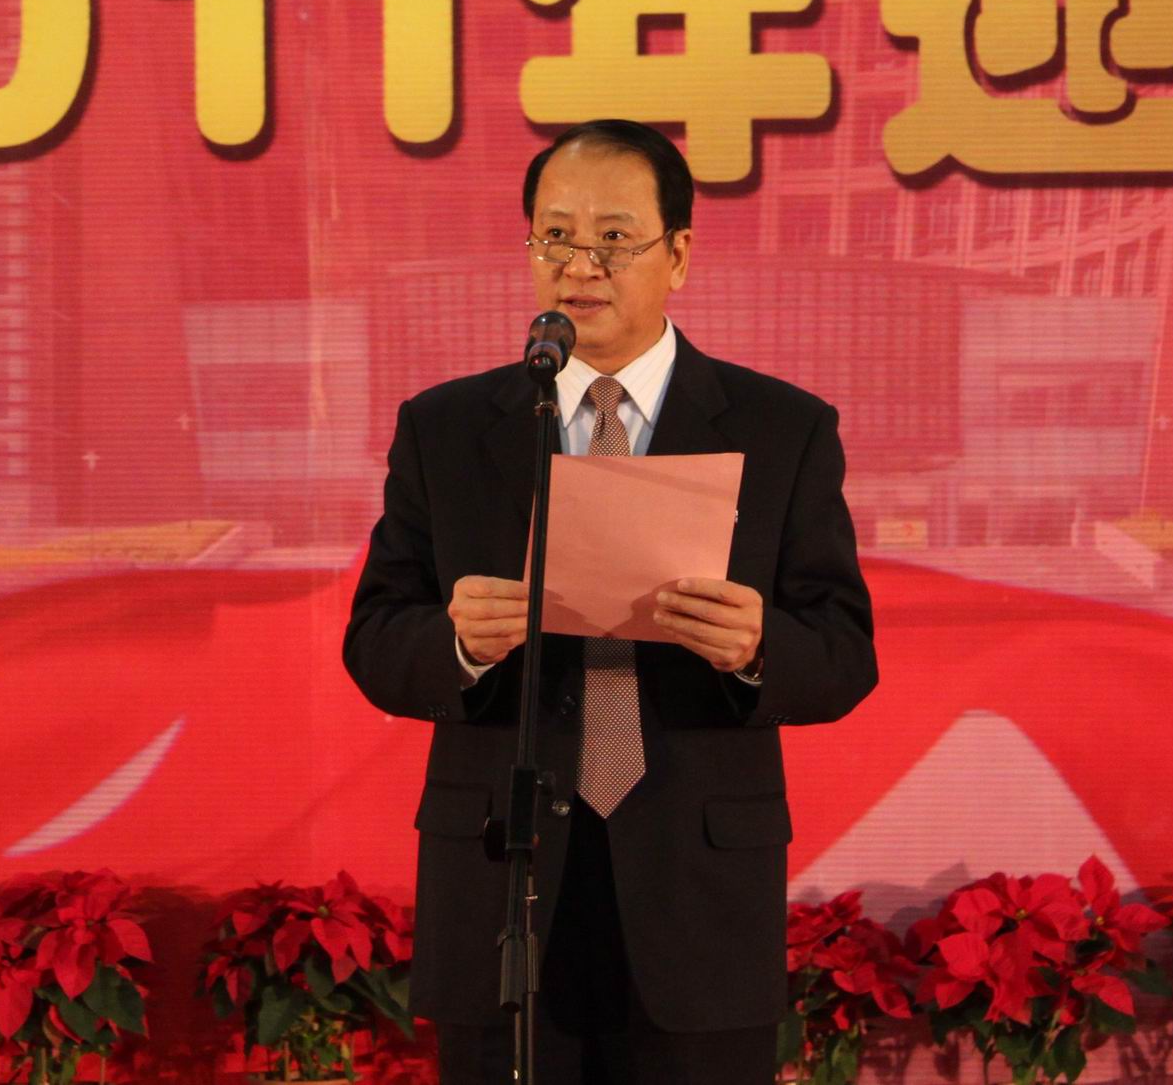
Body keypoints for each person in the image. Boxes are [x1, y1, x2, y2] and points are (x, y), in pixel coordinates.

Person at [343, 119, 879, 1085]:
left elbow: (842, 651)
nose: (579, 265)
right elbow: (376, 637)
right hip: (505, 877)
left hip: (696, 884)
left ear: (679, 254)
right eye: (554, 235)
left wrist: (757, 646)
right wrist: (458, 644)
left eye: (613, 238)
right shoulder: (448, 427)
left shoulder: (782, 427)